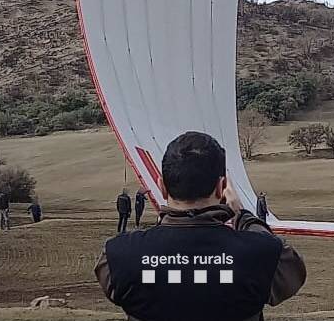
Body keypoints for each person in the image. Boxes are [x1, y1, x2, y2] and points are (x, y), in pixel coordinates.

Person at [95, 131, 306, 321]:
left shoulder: (118, 255)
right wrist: (243, 215)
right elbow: (287, 269)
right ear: (221, 187)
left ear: (163, 187)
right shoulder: (263, 255)